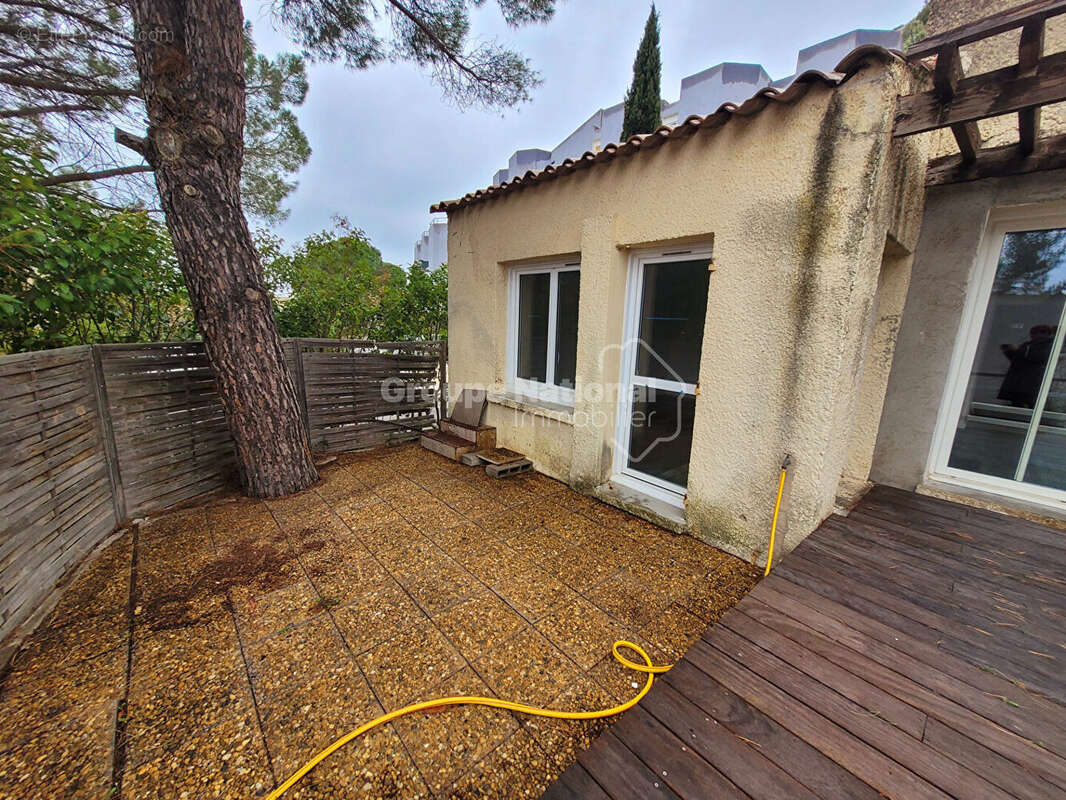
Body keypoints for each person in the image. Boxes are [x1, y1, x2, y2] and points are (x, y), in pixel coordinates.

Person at [999, 324, 1055, 408]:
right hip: (1018, 383)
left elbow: (1038, 357)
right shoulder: (1028, 344)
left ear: (1044, 333)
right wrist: (1009, 352)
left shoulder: (1049, 345)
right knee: (1016, 405)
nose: (1032, 336)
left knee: (1029, 405)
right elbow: (1018, 360)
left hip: (1030, 384)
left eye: (1034, 333)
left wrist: (1018, 351)